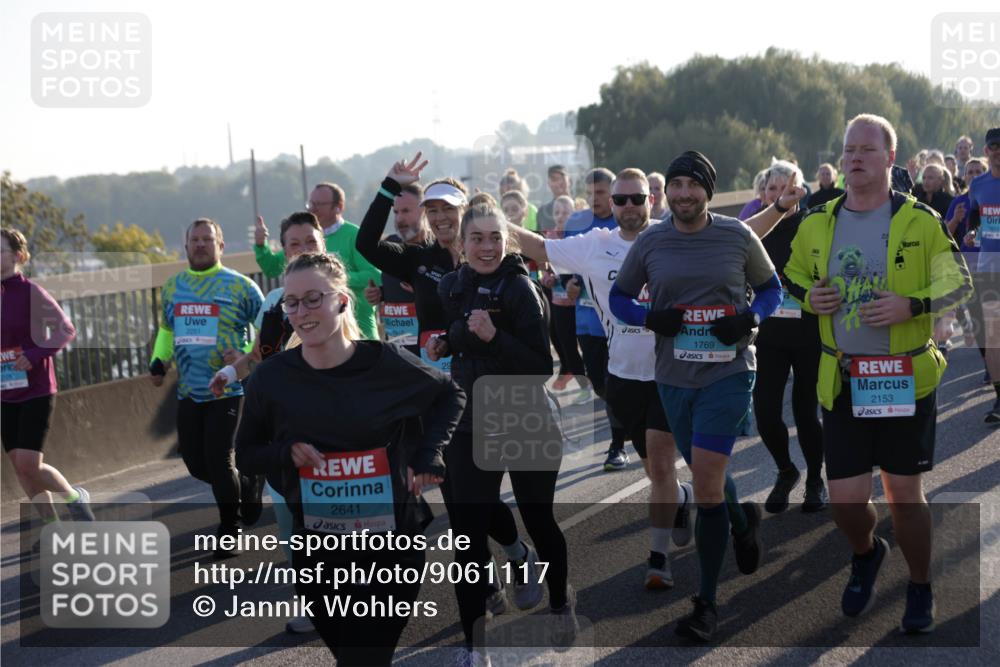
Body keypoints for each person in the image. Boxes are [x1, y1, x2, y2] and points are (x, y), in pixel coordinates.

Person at [785, 114, 973, 633]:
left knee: (904, 497)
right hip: (842, 381)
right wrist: (810, 296)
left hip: (905, 380)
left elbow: (960, 284)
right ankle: (866, 553)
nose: (855, 158)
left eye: (867, 149)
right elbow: (791, 275)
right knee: (845, 502)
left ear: (891, 158)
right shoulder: (817, 221)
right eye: (849, 149)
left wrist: (912, 306)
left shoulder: (919, 221)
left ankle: (919, 585)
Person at [234, 252, 465, 665]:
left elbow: (450, 394)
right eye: (292, 302)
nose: (301, 312)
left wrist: (429, 455)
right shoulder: (272, 379)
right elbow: (247, 456)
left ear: (342, 301)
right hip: (318, 552)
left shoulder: (384, 362)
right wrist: (285, 453)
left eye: (313, 299)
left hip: (389, 547)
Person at [611, 150, 782, 641]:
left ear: (709, 191)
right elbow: (622, 297)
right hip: (672, 378)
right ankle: (740, 519)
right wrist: (650, 318)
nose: (684, 193)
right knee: (711, 479)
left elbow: (772, 289)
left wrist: (750, 319)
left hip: (727, 374)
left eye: (693, 185)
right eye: (676, 184)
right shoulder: (651, 241)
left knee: (705, 481)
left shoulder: (737, 235)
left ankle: (706, 603)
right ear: (666, 192)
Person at [355, 154, 529, 632]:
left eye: (447, 209)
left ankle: (515, 549)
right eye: (431, 211)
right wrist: (390, 186)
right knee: (457, 494)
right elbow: (366, 243)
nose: (440, 218)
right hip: (439, 389)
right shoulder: (420, 259)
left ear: (465, 210)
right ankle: (487, 579)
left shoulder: (488, 254)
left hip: (488, 385)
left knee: (481, 491)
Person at [506, 169, 697, 590]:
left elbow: (737, 235)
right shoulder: (596, 245)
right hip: (623, 378)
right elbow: (540, 246)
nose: (629, 206)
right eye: (621, 200)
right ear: (611, 205)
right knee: (655, 473)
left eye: (637, 198)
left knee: (662, 467)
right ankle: (682, 500)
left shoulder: (676, 237)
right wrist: (492, 220)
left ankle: (658, 558)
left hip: (669, 372)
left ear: (652, 199)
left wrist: (777, 209)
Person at [429, 203, 575, 661]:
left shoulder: (522, 290)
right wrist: (447, 341)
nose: (487, 247)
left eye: (495, 237)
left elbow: (539, 366)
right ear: (462, 243)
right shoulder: (452, 286)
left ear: (507, 240)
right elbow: (462, 334)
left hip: (525, 416)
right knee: (467, 537)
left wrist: (495, 336)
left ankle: (559, 603)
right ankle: (476, 648)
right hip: (471, 424)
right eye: (477, 238)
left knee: (539, 520)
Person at [209, 211, 324, 633]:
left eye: (310, 242)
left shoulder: (341, 296)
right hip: (283, 428)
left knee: (339, 516)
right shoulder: (275, 303)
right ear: (284, 252)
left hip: (336, 422)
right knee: (293, 523)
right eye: (295, 244)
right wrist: (228, 373)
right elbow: (259, 355)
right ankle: (311, 601)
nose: (304, 250)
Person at [149, 218, 265, 558]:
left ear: (221, 246)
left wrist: (245, 356)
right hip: (189, 391)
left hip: (228, 389)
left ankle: (230, 529)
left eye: (207, 239)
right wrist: (158, 362)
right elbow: (167, 331)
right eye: (195, 240)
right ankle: (247, 484)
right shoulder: (173, 287)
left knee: (218, 459)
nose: (200, 244)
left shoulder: (241, 287)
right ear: (185, 247)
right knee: (197, 465)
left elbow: (267, 332)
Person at [1, 228, 94, 524]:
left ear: (17, 256)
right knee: (20, 466)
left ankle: (74, 497)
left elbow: (66, 329)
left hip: (37, 389)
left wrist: (34, 354)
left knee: (30, 462)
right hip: (5, 390)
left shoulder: (31, 292)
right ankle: (52, 527)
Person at [751, 161, 827, 514]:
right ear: (762, 193)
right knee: (765, 411)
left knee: (805, 411)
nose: (778, 194)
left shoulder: (814, 225)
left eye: (787, 187)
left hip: (808, 331)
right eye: (772, 188)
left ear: (800, 191)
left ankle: (815, 479)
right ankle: (786, 470)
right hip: (769, 334)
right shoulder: (753, 231)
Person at [254, 183, 381, 339]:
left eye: (319, 204)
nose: (312, 209)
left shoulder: (355, 235)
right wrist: (261, 246)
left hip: (362, 337)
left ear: (338, 207)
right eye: (311, 204)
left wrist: (330, 280)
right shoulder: (302, 239)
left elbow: (375, 275)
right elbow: (272, 268)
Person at [364, 183, 427, 357]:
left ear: (424, 211)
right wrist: (381, 293)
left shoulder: (437, 250)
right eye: (396, 212)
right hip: (396, 351)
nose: (399, 219)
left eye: (406, 211)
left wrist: (424, 291)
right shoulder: (391, 244)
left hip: (431, 353)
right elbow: (365, 243)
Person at [968, 128, 1000, 423]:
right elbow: (973, 217)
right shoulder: (978, 184)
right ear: (986, 150)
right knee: (992, 338)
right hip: (989, 268)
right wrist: (971, 233)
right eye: (994, 146)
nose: (998, 150)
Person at [541, 195, 587, 395]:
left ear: (575, 213)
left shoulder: (579, 237)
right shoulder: (549, 237)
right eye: (557, 213)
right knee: (566, 347)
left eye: (566, 212)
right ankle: (584, 387)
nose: (561, 217)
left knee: (587, 346)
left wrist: (574, 280)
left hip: (580, 302)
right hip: (558, 301)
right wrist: (547, 279)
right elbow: (546, 270)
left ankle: (593, 382)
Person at [536, 164, 572, 233]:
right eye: (554, 179)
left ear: (569, 181)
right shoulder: (542, 212)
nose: (559, 182)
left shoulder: (581, 207)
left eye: (562, 178)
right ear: (548, 183)